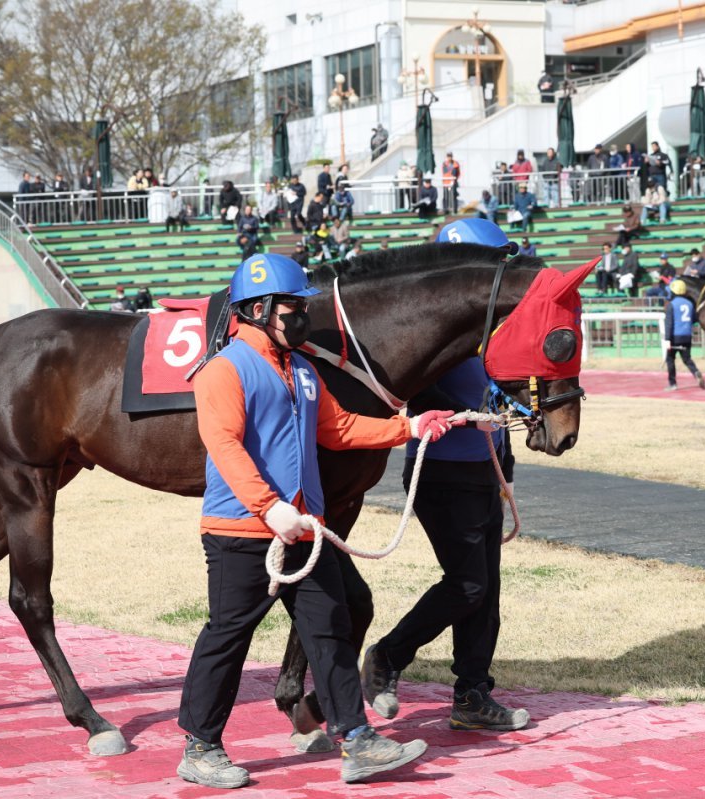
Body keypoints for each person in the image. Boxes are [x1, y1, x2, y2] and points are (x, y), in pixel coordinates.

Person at [179, 254, 452, 788]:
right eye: (292, 308)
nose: (303, 317)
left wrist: (409, 427)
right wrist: (268, 507)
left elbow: (340, 428)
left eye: (302, 306)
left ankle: (357, 739)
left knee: (329, 632)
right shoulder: (223, 370)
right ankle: (200, 747)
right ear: (257, 310)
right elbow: (224, 445)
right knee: (228, 636)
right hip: (241, 534)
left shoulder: (303, 370)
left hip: (305, 530)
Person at [362, 218, 529, 738]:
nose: (504, 270)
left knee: (487, 591)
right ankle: (387, 656)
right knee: (468, 584)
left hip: (483, 470)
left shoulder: (488, 329)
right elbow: (413, 391)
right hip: (441, 472)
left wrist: (505, 468)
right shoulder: (430, 326)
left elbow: (495, 397)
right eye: (496, 261)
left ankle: (473, 694)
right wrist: (467, 415)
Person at [663, 280, 705, 391]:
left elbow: (669, 323)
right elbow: (694, 319)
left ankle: (672, 383)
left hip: (675, 337)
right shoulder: (690, 304)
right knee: (687, 359)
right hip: (687, 336)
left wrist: (667, 339)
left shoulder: (671, 305)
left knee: (670, 359)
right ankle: (696, 372)